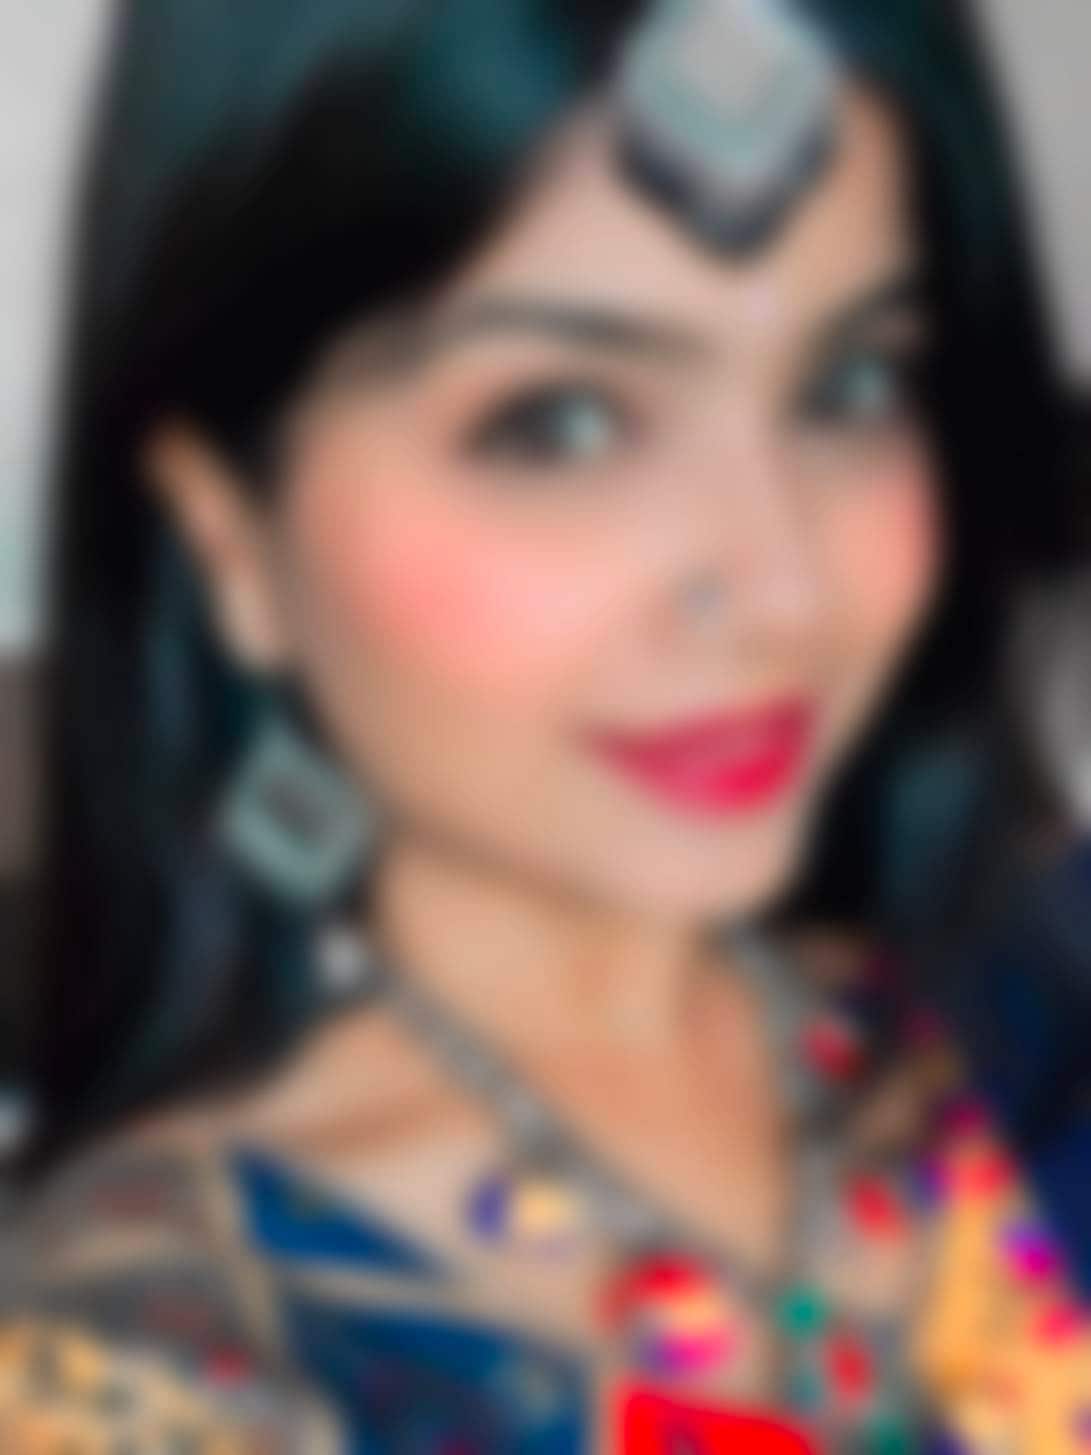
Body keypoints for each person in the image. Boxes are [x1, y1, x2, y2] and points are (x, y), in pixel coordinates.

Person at [3, 0, 1086, 1448]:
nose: (780, 590)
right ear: (230, 540)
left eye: (852, 384)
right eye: (561, 424)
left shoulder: (1025, 1000)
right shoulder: (142, 1358)